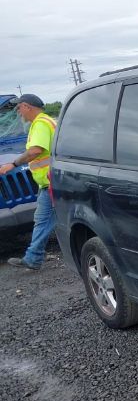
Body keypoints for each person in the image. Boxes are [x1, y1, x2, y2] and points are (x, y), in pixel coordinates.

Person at [0, 94, 57, 270]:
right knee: (46, 219)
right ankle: (33, 257)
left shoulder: (40, 124)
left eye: (19, 108)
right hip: (50, 182)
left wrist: (14, 163)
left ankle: (33, 257)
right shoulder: (46, 121)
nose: (18, 112)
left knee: (43, 219)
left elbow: (35, 151)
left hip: (51, 182)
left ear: (27, 106)